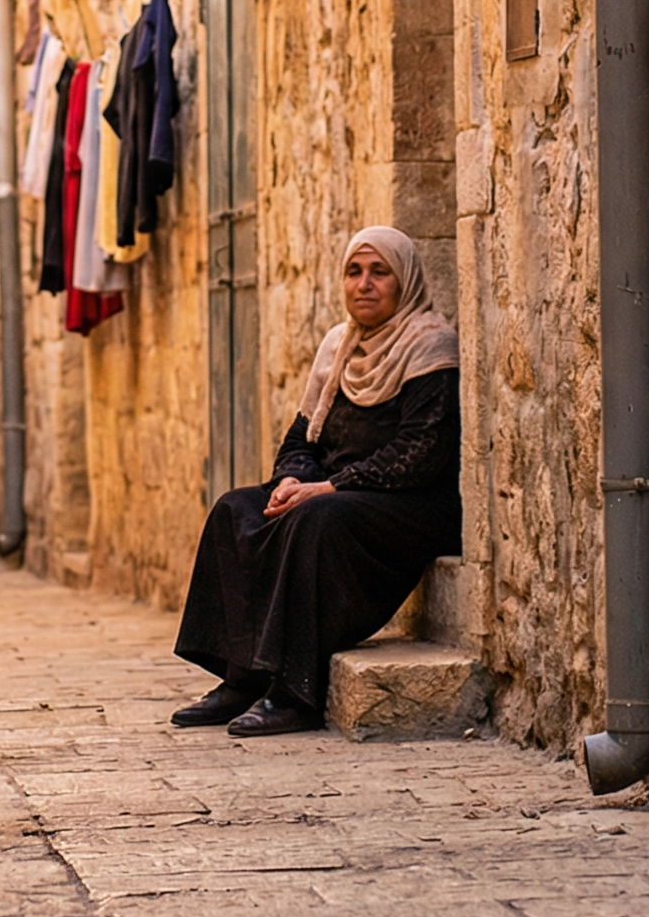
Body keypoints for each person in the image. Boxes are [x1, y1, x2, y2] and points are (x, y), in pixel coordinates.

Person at [170, 225, 462, 735]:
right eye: (354, 272)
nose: (364, 284)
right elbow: (303, 438)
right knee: (235, 510)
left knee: (316, 518)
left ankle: (293, 692)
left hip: (406, 505)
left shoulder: (430, 343)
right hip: (334, 494)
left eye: (379, 272)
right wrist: (290, 478)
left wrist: (329, 487)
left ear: (405, 282)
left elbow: (421, 453)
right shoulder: (339, 346)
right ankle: (242, 678)